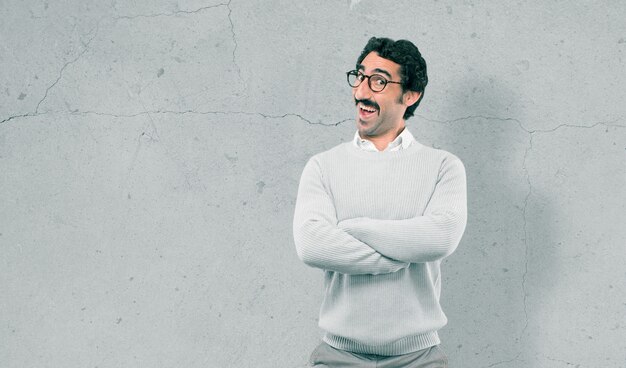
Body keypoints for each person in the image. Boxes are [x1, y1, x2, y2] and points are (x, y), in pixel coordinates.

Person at [292, 37, 467, 367]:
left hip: (418, 358)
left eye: (379, 81)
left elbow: (441, 237)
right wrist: (401, 253)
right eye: (359, 76)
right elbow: (311, 246)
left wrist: (352, 229)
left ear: (411, 95)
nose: (361, 91)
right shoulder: (322, 166)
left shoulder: (443, 166)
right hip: (337, 357)